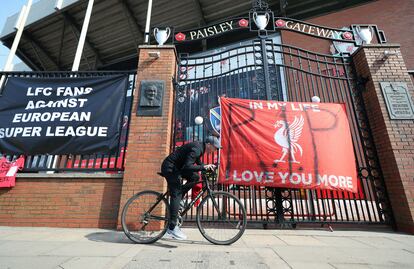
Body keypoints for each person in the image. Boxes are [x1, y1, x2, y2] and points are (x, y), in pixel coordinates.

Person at [161, 136, 221, 240]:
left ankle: (179, 197)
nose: (215, 150)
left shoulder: (200, 148)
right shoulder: (197, 148)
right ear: (209, 144)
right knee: (176, 193)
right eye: (215, 148)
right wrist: (203, 167)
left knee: (195, 177)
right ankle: (171, 228)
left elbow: (198, 163)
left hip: (177, 168)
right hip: (170, 168)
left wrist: (206, 166)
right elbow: (187, 166)